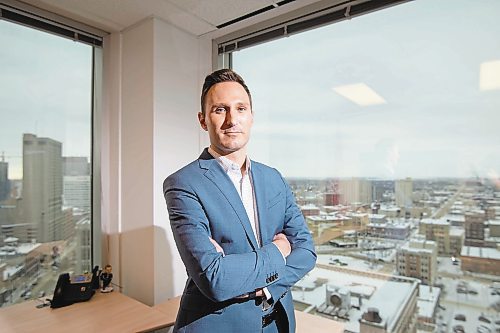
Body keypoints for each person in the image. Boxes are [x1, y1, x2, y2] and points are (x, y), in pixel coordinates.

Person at [163, 69, 316, 333]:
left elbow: (306, 251)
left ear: (251, 117)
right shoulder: (183, 184)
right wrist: (279, 250)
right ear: (203, 120)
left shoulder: (273, 178)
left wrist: (264, 286)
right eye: (220, 110)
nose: (232, 119)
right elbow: (215, 279)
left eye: (240, 108)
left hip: (278, 324)